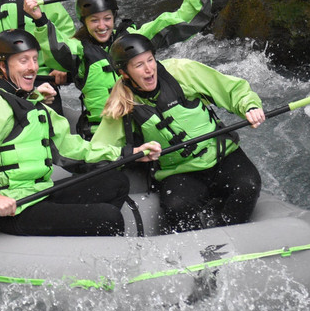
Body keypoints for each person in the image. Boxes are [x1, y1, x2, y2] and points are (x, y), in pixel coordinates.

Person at [0, 30, 160, 236]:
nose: (32, 67)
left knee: (116, 181)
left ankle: (79, 238)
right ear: (2, 66)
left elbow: (74, 149)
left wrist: (131, 152)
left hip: (40, 193)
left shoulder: (38, 107)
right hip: (10, 208)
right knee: (108, 217)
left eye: (35, 59)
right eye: (23, 60)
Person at [22, 0, 222, 137]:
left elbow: (178, 22)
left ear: (114, 17)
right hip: (106, 135)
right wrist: (40, 20)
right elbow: (58, 50)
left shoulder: (133, 38)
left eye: (107, 19)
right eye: (94, 21)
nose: (102, 26)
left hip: (144, 130)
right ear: (84, 22)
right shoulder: (80, 50)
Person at [92, 34, 265, 232]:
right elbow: (100, 149)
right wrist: (134, 154)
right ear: (124, 73)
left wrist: (249, 106)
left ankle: (226, 229)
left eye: (150, 60)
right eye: (139, 65)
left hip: (221, 155)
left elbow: (231, 89)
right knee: (176, 207)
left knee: (248, 186)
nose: (149, 69)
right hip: (180, 172)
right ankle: (199, 246)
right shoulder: (122, 103)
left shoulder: (181, 71)